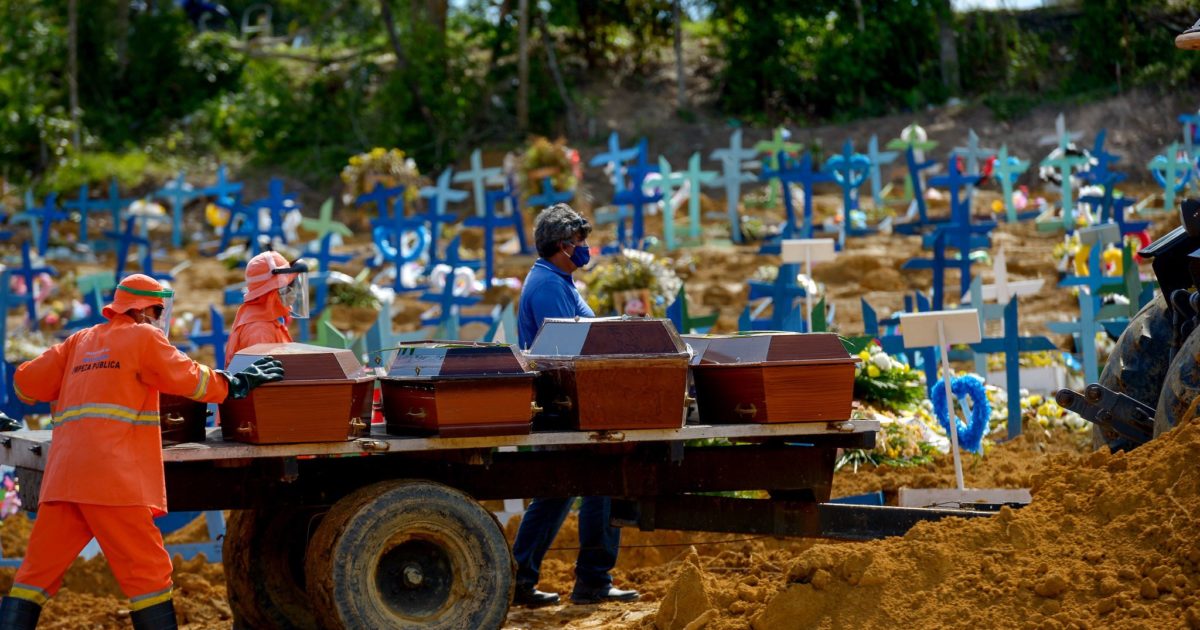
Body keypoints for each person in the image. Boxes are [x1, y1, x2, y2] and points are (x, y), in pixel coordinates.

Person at [0, 274, 285, 630]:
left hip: (64, 479)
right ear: (143, 310)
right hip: (114, 481)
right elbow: (190, 378)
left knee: (33, 578)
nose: (159, 318)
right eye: (158, 310)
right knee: (148, 576)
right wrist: (236, 383)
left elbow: (26, 384)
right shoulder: (143, 336)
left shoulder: (78, 341)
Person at [511, 204, 640, 607]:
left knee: (556, 494)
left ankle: (520, 579)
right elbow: (571, 348)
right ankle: (593, 582)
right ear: (561, 246)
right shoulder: (549, 285)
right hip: (567, 403)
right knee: (599, 484)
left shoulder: (558, 280)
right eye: (580, 241)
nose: (585, 247)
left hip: (568, 401)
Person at [224, 251, 309, 365]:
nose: (294, 292)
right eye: (288, 286)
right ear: (270, 292)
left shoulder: (267, 318)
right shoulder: (260, 331)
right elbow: (261, 380)